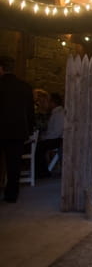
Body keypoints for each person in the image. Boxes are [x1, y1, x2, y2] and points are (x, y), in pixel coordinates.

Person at [0, 56, 35, 203]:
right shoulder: (25, 87)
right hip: (18, 131)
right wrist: (30, 128)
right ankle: (11, 195)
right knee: (14, 164)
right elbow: (30, 111)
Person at [35, 92, 64, 177]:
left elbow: (56, 132)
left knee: (39, 146)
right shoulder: (55, 113)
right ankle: (41, 171)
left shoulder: (59, 113)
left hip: (58, 139)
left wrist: (44, 137)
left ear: (53, 102)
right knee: (39, 145)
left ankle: (42, 172)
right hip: (54, 137)